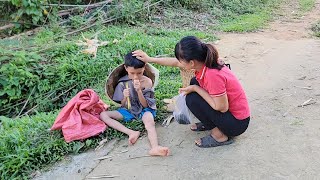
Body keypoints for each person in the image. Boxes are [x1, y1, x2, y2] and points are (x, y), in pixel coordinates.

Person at [133, 36, 250, 148]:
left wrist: (196, 89)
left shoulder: (212, 75)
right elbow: (174, 62)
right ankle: (212, 122)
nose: (179, 63)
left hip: (236, 124)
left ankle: (219, 136)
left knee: (192, 97)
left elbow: (222, 107)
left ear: (192, 63)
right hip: (231, 115)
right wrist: (149, 59)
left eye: (181, 60)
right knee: (194, 82)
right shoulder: (205, 62)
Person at [100, 52, 170, 156]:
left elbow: (146, 105)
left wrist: (139, 91)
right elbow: (123, 105)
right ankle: (131, 132)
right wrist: (124, 97)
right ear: (126, 68)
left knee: (149, 120)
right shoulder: (122, 83)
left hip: (144, 110)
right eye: (132, 73)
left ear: (144, 68)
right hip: (129, 110)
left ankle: (155, 147)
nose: (135, 76)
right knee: (103, 115)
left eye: (139, 73)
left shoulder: (147, 82)